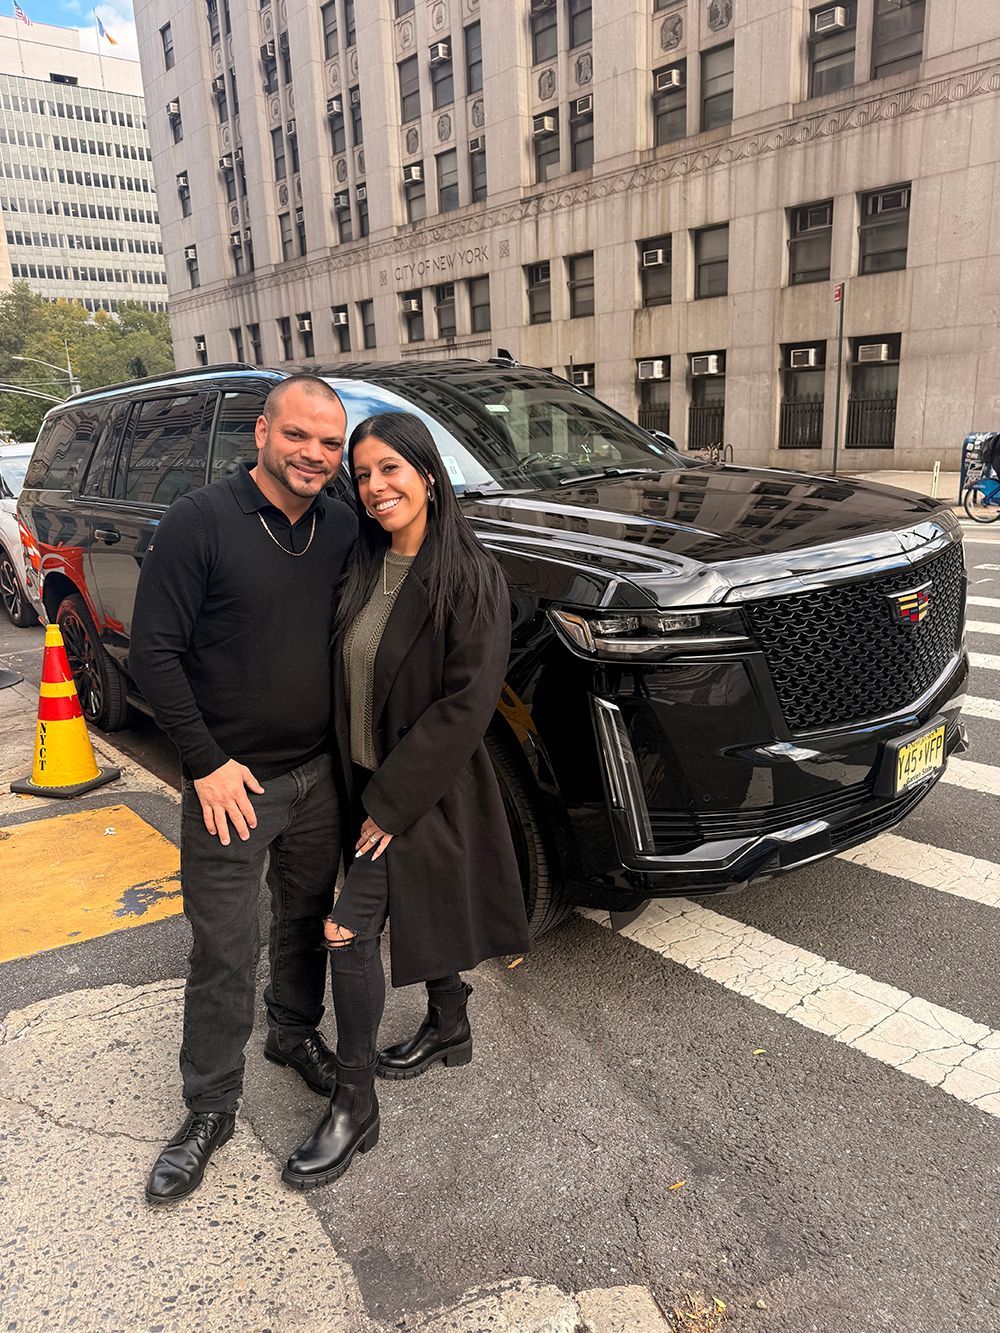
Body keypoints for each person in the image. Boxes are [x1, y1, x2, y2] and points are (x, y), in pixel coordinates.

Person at [282, 412, 531, 1190]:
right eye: (362, 475)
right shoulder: (363, 564)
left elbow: (466, 706)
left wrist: (388, 805)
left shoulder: (470, 576)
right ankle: (450, 1023)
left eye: (390, 468)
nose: (375, 487)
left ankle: (354, 1105)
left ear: (427, 473)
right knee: (422, 907)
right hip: (359, 779)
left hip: (420, 792)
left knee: (347, 932)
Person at [130, 375, 357, 1205]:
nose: (315, 455)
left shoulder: (340, 525)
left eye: (330, 444)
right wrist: (204, 761)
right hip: (232, 783)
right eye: (299, 435)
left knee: (305, 921)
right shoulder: (201, 522)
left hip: (317, 776)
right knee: (225, 946)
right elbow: (153, 653)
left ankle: (292, 1036)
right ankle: (209, 1105)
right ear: (262, 431)